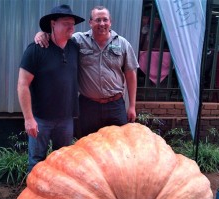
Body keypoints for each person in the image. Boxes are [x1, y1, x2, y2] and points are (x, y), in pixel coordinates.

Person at [35, 6, 139, 137]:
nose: (102, 24)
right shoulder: (78, 40)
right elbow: (58, 38)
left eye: (105, 20)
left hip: (115, 105)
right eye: (97, 20)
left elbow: (130, 75)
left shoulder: (123, 44)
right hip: (88, 106)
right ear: (90, 22)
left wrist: (132, 106)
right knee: (86, 146)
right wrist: (44, 34)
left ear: (110, 22)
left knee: (118, 145)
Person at [18, 4, 85, 172]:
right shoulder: (36, 50)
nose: (71, 27)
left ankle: (56, 197)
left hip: (66, 119)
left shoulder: (75, 47)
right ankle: (33, 198)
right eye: (66, 23)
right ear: (53, 24)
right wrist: (28, 119)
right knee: (36, 161)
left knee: (62, 161)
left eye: (72, 23)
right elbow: (22, 84)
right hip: (40, 119)